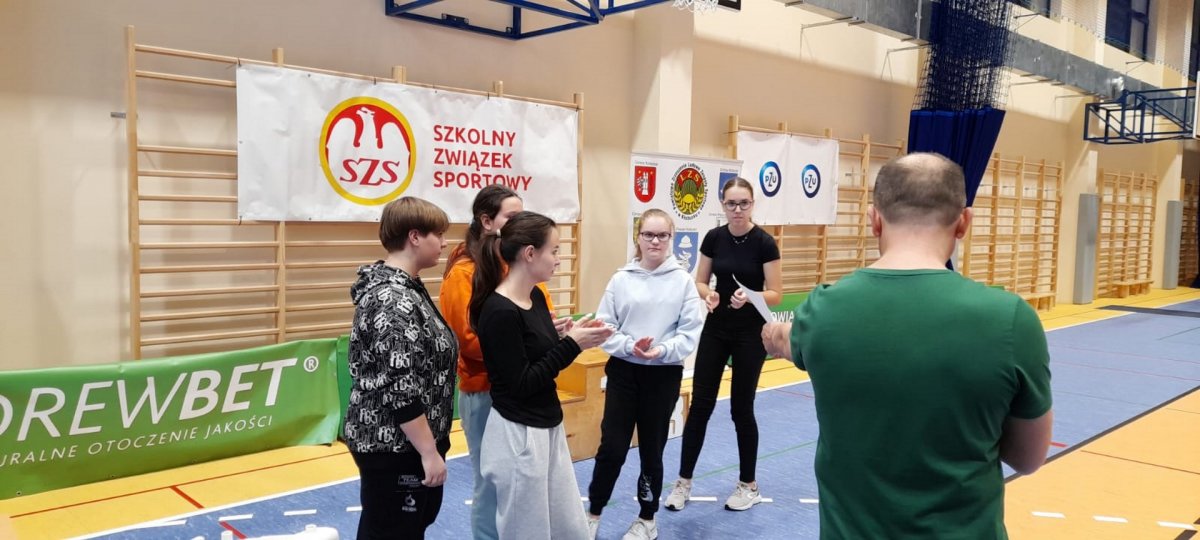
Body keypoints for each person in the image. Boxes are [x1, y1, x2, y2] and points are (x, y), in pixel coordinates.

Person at [761, 153, 1053, 539]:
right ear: (964, 222)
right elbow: (1028, 458)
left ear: (874, 220)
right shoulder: (1011, 320)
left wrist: (773, 335)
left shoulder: (822, 311)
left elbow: (784, 338)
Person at [469, 211, 614, 539]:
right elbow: (522, 383)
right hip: (519, 434)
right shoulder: (499, 311)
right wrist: (572, 345)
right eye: (555, 251)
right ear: (530, 254)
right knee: (527, 531)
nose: (559, 259)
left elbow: (534, 350)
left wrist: (561, 335)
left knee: (568, 526)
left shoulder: (533, 295)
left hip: (547, 423)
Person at [439, 185, 563, 540]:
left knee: (526, 487)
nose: (520, 220)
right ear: (486, 221)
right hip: (485, 391)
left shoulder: (523, 268)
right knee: (491, 483)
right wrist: (523, 343)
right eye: (512, 215)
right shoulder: (464, 272)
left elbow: (541, 318)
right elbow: (469, 339)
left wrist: (548, 333)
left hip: (524, 392)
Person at [585, 209, 705, 540]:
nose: (655, 241)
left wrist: (661, 350)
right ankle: (593, 513)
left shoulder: (682, 281)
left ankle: (647, 519)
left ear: (671, 238)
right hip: (624, 372)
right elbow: (605, 326)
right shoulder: (621, 279)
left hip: (662, 376)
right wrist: (629, 346)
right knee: (612, 447)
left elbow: (689, 333)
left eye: (662, 235)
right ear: (638, 237)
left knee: (652, 449)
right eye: (648, 235)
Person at [344, 196, 458, 540]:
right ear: (415, 237)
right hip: (394, 446)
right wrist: (428, 452)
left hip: (408, 443)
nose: (444, 243)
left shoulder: (409, 287)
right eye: (439, 235)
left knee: (405, 528)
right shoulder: (392, 299)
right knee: (391, 532)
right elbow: (400, 387)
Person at [665, 177, 782, 512]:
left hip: (750, 334)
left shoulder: (765, 243)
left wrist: (752, 296)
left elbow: (776, 293)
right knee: (700, 406)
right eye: (731, 203)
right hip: (717, 329)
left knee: (741, 409)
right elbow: (700, 281)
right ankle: (683, 482)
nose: (737, 209)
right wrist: (709, 294)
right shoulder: (714, 238)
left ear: (752, 204)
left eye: (743, 203)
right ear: (723, 205)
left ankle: (749, 485)